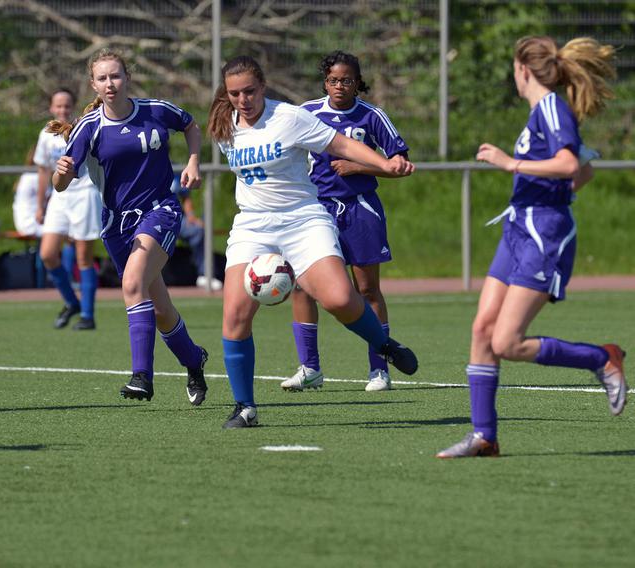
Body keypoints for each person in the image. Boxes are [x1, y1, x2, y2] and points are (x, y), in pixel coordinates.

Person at [436, 36, 624, 459]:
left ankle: (601, 358)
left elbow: (571, 164)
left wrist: (511, 164)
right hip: (518, 227)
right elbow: (586, 168)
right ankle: (484, 436)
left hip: (543, 234)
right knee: (482, 328)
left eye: (513, 69)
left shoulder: (553, 108)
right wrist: (551, 191)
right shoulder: (541, 111)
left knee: (506, 342)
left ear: (523, 70)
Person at [207, 55, 419, 429]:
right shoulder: (224, 123)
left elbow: (340, 145)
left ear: (264, 86)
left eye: (250, 91)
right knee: (235, 316)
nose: (243, 100)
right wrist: (193, 162)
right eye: (235, 93)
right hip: (253, 226)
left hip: (303, 219)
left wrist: (384, 164)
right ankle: (244, 407)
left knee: (339, 298)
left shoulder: (289, 117)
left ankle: (385, 346)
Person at [50, 48, 209, 405]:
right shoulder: (89, 129)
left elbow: (189, 123)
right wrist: (58, 176)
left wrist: (194, 160)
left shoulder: (155, 110)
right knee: (160, 308)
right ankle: (194, 360)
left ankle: (142, 376)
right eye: (103, 78)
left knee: (132, 282)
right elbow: (60, 185)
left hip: (160, 211)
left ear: (128, 77)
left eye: (116, 76)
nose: (111, 83)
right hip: (116, 227)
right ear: (94, 84)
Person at [283, 51, 412, 393]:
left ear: (358, 82)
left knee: (367, 289)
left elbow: (399, 163)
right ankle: (310, 368)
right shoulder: (307, 113)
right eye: (333, 80)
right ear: (325, 82)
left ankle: (379, 369)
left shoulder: (372, 117)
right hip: (316, 211)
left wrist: (361, 167)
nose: (340, 86)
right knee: (302, 285)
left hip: (361, 208)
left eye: (347, 80)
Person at [36, 88, 103, 329]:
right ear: (52, 108)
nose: (62, 110)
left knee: (84, 257)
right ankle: (71, 302)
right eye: (58, 106)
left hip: (84, 194)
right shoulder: (46, 135)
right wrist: (39, 203)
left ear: (73, 107)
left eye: (67, 105)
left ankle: (87, 314)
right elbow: (44, 170)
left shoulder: (83, 126)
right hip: (59, 197)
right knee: (47, 254)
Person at [170, 174, 222, 290]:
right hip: (153, 216)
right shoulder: (148, 164)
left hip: (175, 217)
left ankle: (205, 274)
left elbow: (185, 197)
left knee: (197, 231)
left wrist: (191, 216)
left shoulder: (176, 169)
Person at [13, 147, 46, 239]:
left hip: (25, 223)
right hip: (31, 225)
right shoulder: (34, 177)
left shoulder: (27, 175)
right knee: (66, 233)